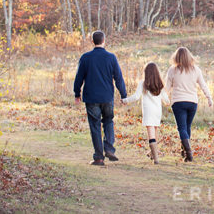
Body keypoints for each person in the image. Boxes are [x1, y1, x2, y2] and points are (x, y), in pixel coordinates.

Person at [72, 30, 127, 166]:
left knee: (95, 126)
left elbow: (79, 77)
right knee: (108, 121)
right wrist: (123, 95)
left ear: (93, 41)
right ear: (104, 41)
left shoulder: (86, 57)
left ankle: (99, 158)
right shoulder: (111, 57)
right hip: (107, 96)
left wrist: (77, 93)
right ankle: (109, 148)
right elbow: (118, 78)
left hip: (91, 98)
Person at [165, 45, 213, 162]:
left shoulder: (172, 70)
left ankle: (188, 152)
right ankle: (184, 151)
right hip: (192, 103)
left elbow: (166, 87)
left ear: (176, 57)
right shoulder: (196, 70)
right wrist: (209, 97)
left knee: (182, 128)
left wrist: (164, 98)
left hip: (178, 102)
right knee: (187, 127)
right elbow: (203, 85)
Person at [122, 61, 169, 163]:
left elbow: (136, 96)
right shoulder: (160, 85)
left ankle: (156, 158)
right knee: (155, 132)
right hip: (157, 111)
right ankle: (152, 153)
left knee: (151, 134)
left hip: (148, 111)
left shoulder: (143, 84)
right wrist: (169, 102)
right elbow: (166, 99)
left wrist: (125, 100)